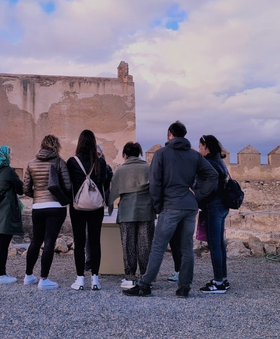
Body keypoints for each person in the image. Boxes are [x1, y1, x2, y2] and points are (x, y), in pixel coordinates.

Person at [123, 121, 218, 298]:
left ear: (169, 135)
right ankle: (184, 287)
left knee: (158, 246)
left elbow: (155, 183)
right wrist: (197, 195)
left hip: (171, 205)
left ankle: (145, 285)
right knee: (186, 248)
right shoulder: (194, 156)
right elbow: (212, 175)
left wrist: (158, 205)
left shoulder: (161, 154)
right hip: (189, 206)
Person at [22, 135, 72, 290]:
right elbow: (68, 186)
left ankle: (28, 276)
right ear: (56, 146)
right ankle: (44, 279)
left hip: (38, 207)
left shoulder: (31, 164)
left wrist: (37, 196)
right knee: (49, 241)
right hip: (56, 207)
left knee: (36, 241)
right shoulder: (59, 162)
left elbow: (26, 189)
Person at [67, 129, 111, 291]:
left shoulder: (72, 162)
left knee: (79, 242)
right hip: (96, 206)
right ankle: (95, 279)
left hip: (77, 206)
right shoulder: (101, 163)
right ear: (93, 143)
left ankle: (79, 279)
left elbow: (67, 184)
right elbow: (105, 184)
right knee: (95, 241)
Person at [108, 142, 156, 289]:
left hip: (126, 211)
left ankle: (129, 277)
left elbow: (112, 192)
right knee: (145, 245)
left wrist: (110, 207)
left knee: (128, 244)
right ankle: (145, 276)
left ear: (125, 154)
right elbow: (155, 189)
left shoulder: (119, 170)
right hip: (146, 211)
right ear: (139, 153)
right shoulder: (149, 168)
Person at [0, 145, 24, 285]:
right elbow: (20, 189)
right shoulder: (8, 171)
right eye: (10, 154)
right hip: (5, 213)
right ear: (5, 156)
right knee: (4, 244)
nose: (11, 156)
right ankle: (1, 274)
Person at [197, 134, 231, 293]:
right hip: (222, 206)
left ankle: (218, 283)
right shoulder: (220, 161)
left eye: (199, 147)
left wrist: (196, 195)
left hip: (213, 206)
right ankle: (222, 279)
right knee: (219, 244)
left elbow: (208, 185)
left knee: (215, 245)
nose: (199, 150)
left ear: (205, 147)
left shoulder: (210, 163)